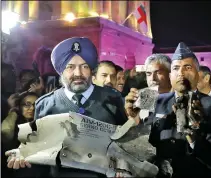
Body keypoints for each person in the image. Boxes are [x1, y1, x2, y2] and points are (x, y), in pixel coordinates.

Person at [6, 37, 128, 178]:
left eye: (84, 66)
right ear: (60, 71)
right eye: (70, 67)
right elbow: (39, 146)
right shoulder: (45, 104)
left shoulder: (113, 99)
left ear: (92, 70)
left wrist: (124, 162)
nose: (78, 73)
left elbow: (126, 143)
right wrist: (24, 154)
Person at [125, 42, 211, 177]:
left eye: (187, 68)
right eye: (176, 68)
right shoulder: (154, 99)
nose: (181, 73)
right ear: (171, 74)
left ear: (197, 74)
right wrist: (133, 119)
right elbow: (143, 145)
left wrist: (195, 137)